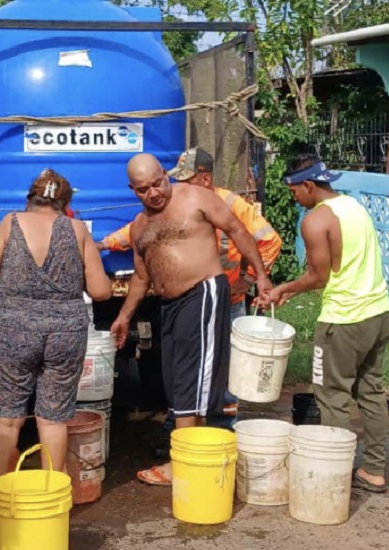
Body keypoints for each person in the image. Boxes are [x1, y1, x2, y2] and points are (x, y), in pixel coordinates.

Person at [110, 153, 272, 486]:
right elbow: (142, 277)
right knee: (177, 380)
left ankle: (179, 464)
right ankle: (194, 457)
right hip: (170, 305)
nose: (153, 193)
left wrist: (259, 277)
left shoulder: (196, 197)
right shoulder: (140, 226)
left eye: (157, 183)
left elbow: (238, 231)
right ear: (133, 189)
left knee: (189, 380)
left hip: (204, 292)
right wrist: (124, 317)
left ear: (165, 175)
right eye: (143, 189)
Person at [0, 169, 111, 535]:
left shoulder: (10, 223)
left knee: (7, 420)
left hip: (13, 329)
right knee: (53, 420)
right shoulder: (77, 230)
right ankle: (53, 512)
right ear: (66, 204)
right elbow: (100, 291)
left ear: (29, 199)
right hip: (65, 332)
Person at [255, 155, 389, 492]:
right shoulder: (354, 207)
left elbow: (319, 276)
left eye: (294, 192)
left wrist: (284, 289)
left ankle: (335, 474)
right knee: (371, 391)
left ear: (308, 185)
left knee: (332, 396)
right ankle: (373, 470)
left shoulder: (316, 221)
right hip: (379, 313)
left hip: (343, 322)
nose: (294, 199)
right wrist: (290, 291)